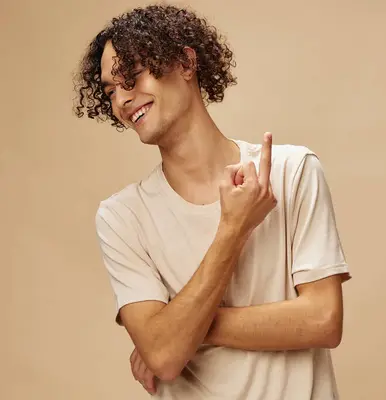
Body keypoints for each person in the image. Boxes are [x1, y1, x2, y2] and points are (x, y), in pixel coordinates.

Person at [73, 4, 351, 399]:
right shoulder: (122, 217)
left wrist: (179, 329)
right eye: (110, 90)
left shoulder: (292, 171)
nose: (121, 99)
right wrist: (234, 227)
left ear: (186, 63)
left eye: (131, 77)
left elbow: (323, 321)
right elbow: (167, 356)